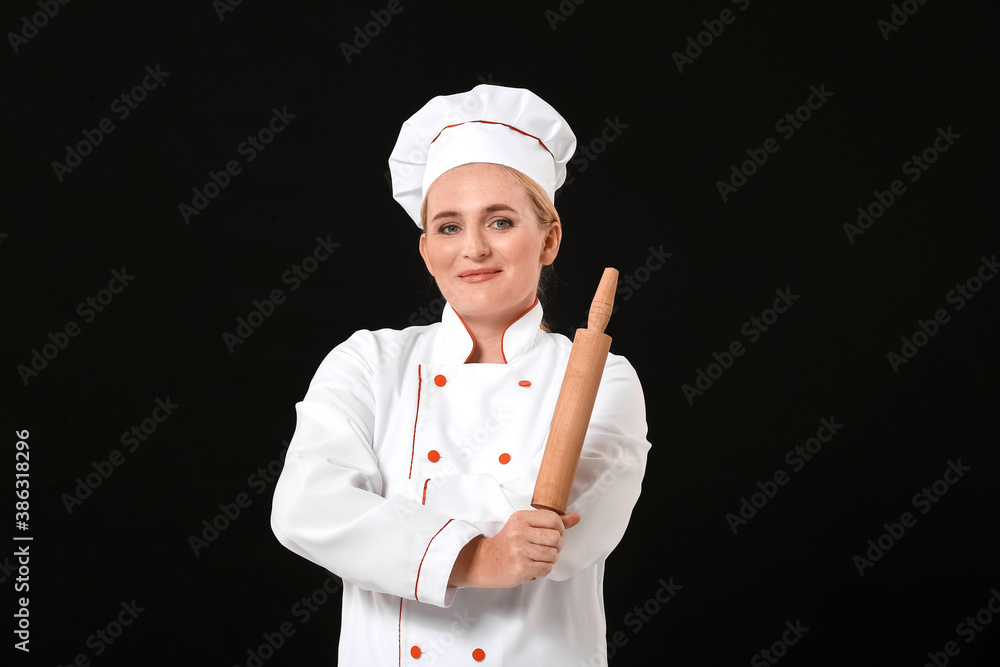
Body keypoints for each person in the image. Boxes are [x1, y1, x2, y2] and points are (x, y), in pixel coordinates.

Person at [270, 84, 650, 665]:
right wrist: (481, 556)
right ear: (426, 250)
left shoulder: (603, 378)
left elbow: (564, 537)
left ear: (548, 239)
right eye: (449, 227)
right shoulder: (367, 363)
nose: (472, 248)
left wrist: (386, 516)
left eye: (500, 221)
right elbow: (305, 508)